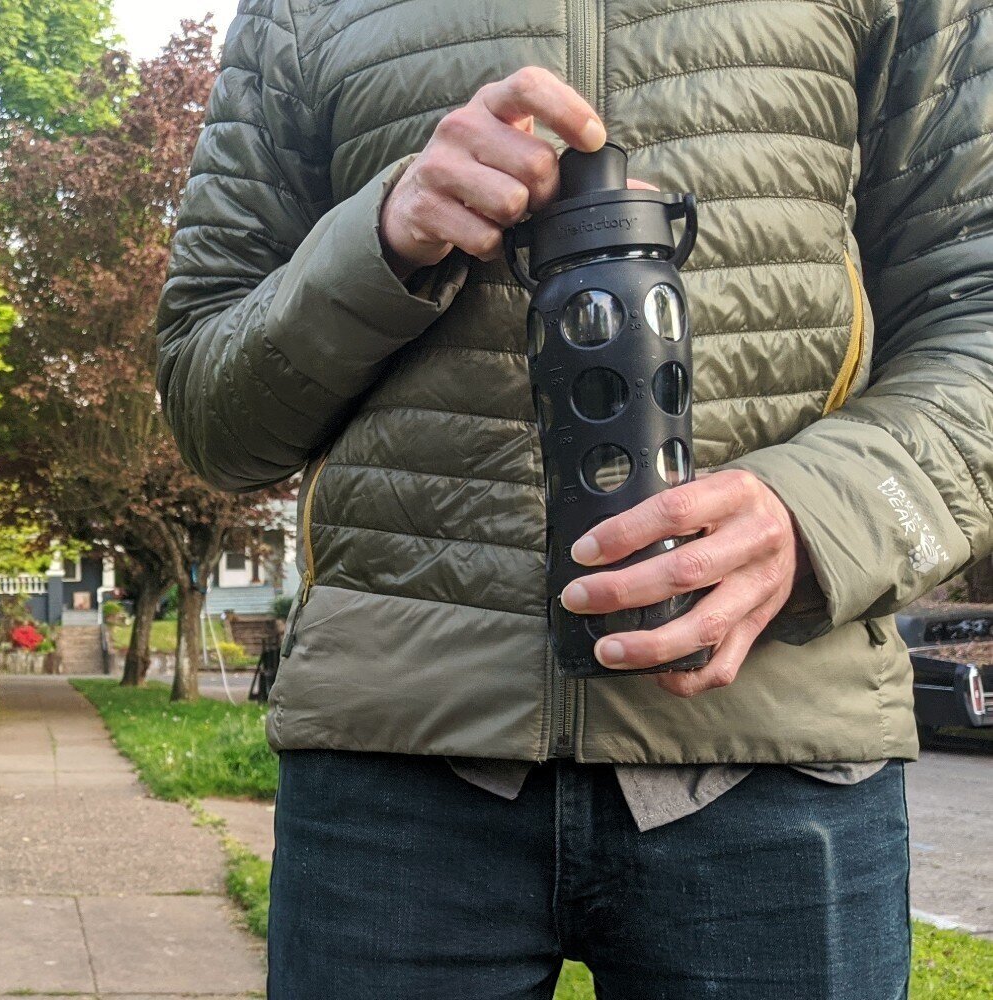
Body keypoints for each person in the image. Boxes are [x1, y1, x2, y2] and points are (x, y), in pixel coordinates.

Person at [156, 1, 992, 997]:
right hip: (399, 765)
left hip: (778, 748)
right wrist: (382, 237)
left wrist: (818, 513)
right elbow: (214, 414)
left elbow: (974, 312)